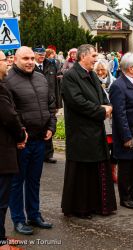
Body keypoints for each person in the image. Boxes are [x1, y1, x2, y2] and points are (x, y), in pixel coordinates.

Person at [61, 44, 117, 219]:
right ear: (83, 56)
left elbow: (102, 97)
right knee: (82, 173)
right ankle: (80, 208)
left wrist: (106, 106)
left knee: (96, 171)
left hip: (95, 131)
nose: (96, 59)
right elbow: (77, 102)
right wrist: (102, 111)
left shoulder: (92, 74)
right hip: (80, 133)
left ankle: (97, 205)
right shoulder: (70, 76)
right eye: (93, 55)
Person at [5, 46, 57, 235]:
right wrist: (21, 133)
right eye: (25, 58)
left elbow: (50, 105)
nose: (29, 62)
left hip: (40, 140)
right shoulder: (9, 81)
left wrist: (51, 127)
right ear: (16, 59)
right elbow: (11, 113)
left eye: (32, 58)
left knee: (34, 180)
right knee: (17, 182)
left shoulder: (40, 77)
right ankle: (18, 219)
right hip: (22, 142)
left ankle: (34, 215)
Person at [109, 52, 133, 209]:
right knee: (126, 167)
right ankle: (125, 198)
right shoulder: (118, 86)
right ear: (130, 68)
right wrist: (126, 137)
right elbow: (120, 114)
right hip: (127, 135)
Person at [0, 50, 27, 250]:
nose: (8, 62)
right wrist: (21, 135)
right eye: (4, 60)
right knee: (1, 200)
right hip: (3, 151)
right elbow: (9, 116)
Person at [33, 45, 61, 164]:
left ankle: (48, 154)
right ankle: (37, 154)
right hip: (36, 102)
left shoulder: (51, 64)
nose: (42, 57)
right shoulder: (30, 66)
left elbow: (56, 85)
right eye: (39, 55)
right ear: (34, 54)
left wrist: (58, 103)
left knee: (50, 126)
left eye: (43, 55)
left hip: (50, 101)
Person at [94, 59, 117, 183]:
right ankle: (104, 171)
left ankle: (113, 170)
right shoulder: (93, 82)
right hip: (102, 117)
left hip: (114, 117)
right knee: (105, 145)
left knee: (114, 146)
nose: (100, 72)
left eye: (102, 69)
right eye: (97, 70)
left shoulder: (113, 81)